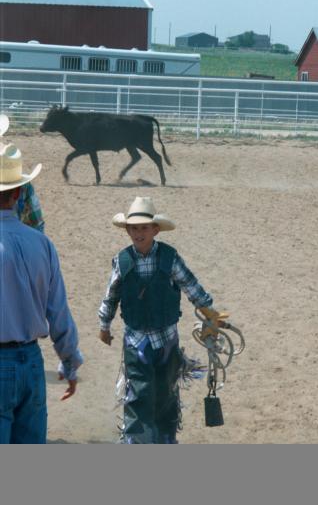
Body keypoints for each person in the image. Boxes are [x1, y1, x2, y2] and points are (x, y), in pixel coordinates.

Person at [98, 196, 228, 444]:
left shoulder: (169, 258)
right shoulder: (122, 261)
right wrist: (104, 325)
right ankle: (137, 443)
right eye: (134, 228)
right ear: (127, 230)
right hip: (137, 343)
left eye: (144, 228)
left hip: (167, 342)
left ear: (155, 229)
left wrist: (209, 312)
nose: (139, 233)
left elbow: (191, 286)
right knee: (137, 394)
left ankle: (165, 440)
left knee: (166, 394)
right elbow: (111, 295)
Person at [0, 136, 83, 444]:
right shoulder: (43, 245)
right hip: (32, 362)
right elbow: (58, 311)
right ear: (20, 193)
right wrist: (69, 361)